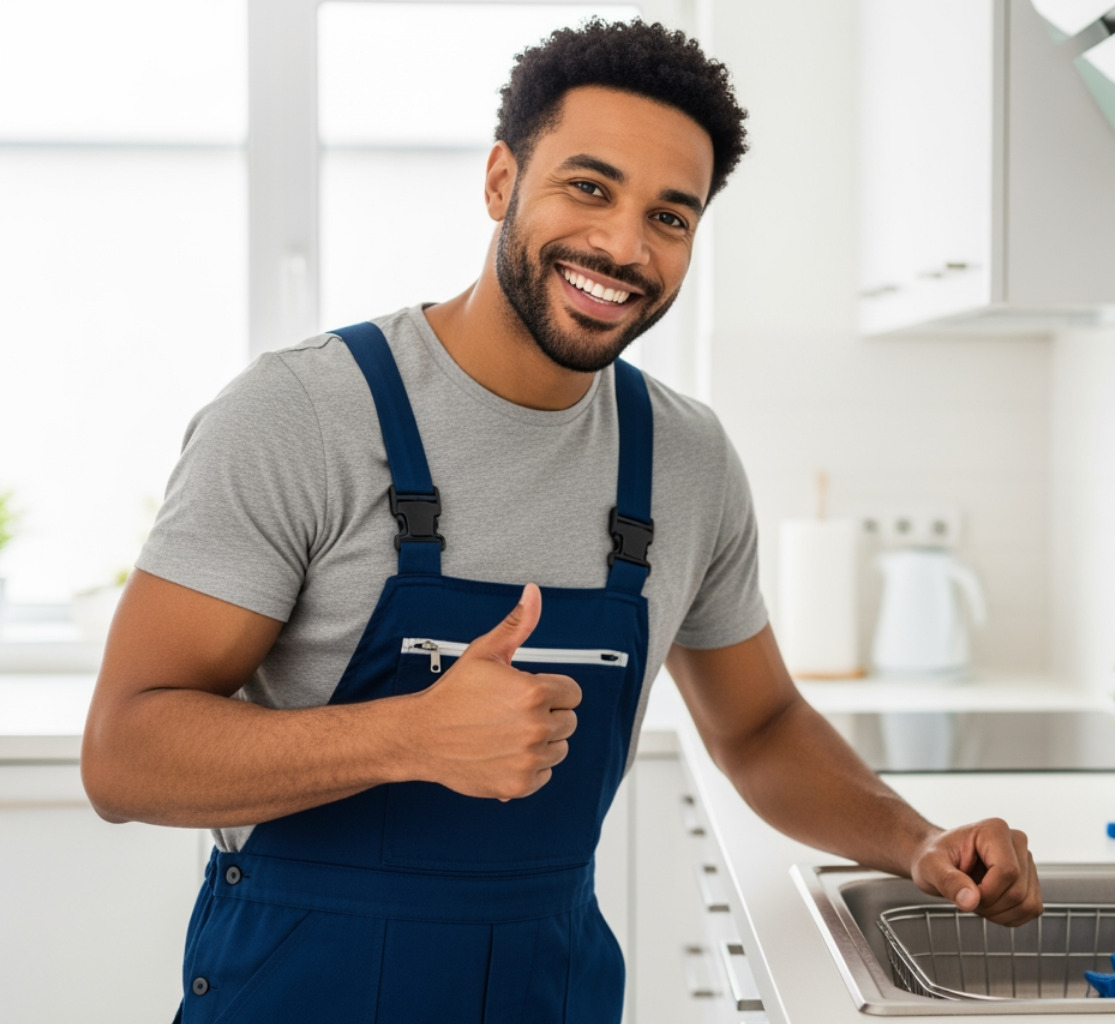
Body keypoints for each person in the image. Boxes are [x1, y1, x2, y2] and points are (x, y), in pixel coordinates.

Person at [81, 18, 1042, 1023]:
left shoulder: (687, 460)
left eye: (670, 217)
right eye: (591, 187)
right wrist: (408, 734)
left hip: (550, 989)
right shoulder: (304, 416)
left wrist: (913, 839)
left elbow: (759, 726)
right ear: (502, 181)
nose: (624, 247)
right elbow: (123, 754)